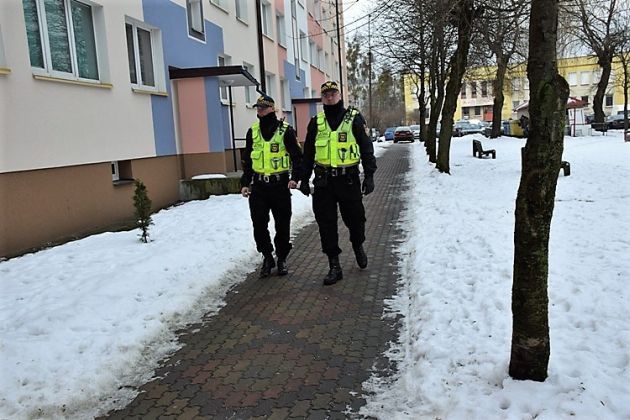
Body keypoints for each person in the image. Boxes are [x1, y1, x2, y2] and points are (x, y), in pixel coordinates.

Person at [296, 81, 377, 286]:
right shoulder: (317, 122)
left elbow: (366, 147)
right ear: (322, 98)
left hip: (348, 179)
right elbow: (308, 154)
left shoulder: (353, 118)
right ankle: (334, 265)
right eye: (325, 95)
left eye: (333, 94)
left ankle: (358, 245)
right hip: (324, 181)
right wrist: (304, 179)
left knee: (356, 219)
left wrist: (369, 175)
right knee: (326, 224)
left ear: (339, 95)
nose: (329, 97)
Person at [241, 94, 302, 278]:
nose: (259, 111)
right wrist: (245, 183)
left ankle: (282, 258)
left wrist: (295, 178)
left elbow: (297, 157)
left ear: (272, 109)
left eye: (263, 107)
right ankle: (267, 256)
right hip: (259, 187)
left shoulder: (285, 131)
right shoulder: (253, 132)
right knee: (259, 224)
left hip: (280, 185)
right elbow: (247, 162)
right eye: (257, 108)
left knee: (282, 225)